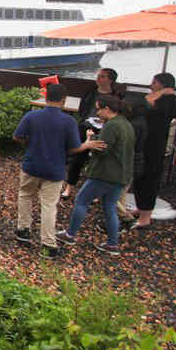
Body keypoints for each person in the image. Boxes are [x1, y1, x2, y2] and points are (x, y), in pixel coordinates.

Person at [12, 83, 105, 256]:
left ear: (46, 98)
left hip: (31, 165)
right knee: (48, 206)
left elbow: (17, 136)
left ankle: (23, 230)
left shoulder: (32, 116)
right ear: (64, 100)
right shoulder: (69, 121)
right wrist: (87, 145)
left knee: (25, 196)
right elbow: (74, 148)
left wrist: (31, 144)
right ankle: (47, 244)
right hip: (54, 169)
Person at [57, 94, 135, 255]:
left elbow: (103, 149)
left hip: (105, 174)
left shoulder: (112, 125)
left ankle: (70, 235)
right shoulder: (126, 124)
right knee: (110, 207)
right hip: (122, 174)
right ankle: (112, 244)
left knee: (81, 200)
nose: (97, 113)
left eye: (99, 109)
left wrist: (90, 142)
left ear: (107, 109)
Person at [128, 72, 176, 229]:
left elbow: (143, 104)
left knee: (149, 178)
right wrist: (161, 92)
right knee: (139, 175)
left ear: (162, 84)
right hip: (145, 141)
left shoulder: (168, 100)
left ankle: (146, 216)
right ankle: (141, 208)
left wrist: (162, 93)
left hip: (154, 144)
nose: (151, 85)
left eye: (154, 82)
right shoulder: (163, 97)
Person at [61, 67, 122, 200]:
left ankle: (96, 192)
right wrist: (83, 120)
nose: (98, 78)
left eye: (102, 76)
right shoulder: (90, 92)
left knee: (100, 159)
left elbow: (117, 114)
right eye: (98, 75)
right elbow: (82, 108)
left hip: (105, 130)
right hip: (85, 127)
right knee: (78, 157)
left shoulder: (116, 96)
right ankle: (69, 186)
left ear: (110, 80)